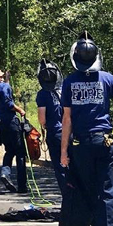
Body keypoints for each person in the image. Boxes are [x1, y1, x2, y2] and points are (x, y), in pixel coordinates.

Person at [58, 32, 113, 226]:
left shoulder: (68, 82)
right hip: (104, 143)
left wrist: (63, 152)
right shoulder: (106, 78)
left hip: (80, 145)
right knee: (107, 195)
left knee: (85, 192)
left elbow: (67, 120)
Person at [0, 67, 28, 194]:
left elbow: (5, 89)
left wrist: (6, 78)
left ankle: (5, 173)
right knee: (20, 152)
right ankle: (22, 185)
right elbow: (9, 104)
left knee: (9, 151)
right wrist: (20, 110)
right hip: (11, 122)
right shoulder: (4, 87)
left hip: (2, 124)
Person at [36, 58, 66, 196]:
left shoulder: (42, 94)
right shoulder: (65, 89)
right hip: (70, 133)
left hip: (55, 133)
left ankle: (68, 199)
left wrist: (45, 125)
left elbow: (42, 119)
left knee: (60, 168)